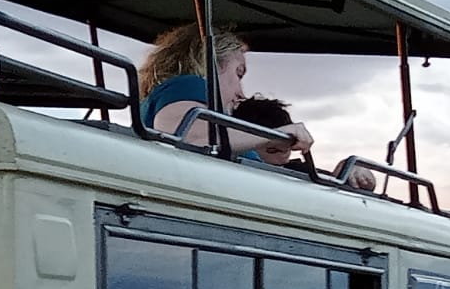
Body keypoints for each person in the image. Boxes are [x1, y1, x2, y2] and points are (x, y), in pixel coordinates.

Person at [139, 23, 313, 164]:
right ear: (211, 64)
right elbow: (188, 136)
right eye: (238, 73)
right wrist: (273, 136)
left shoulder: (166, 96)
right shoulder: (187, 84)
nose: (241, 94)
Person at [234, 95, 377, 190]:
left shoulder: (298, 172)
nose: (282, 157)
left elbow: (333, 182)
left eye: (287, 148)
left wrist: (350, 172)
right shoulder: (233, 171)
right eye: (272, 150)